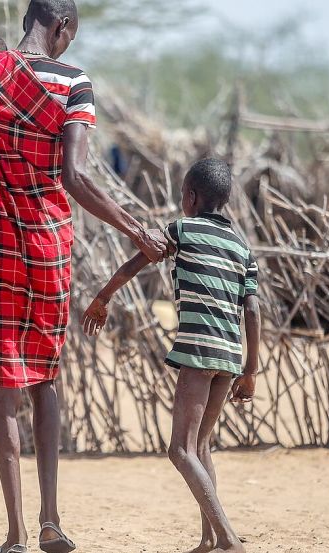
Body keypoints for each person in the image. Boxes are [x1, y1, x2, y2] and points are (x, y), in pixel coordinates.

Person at [0, 1, 172, 552]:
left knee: (4, 389)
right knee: (45, 380)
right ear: (62, 27)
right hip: (45, 242)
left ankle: (13, 536)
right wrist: (135, 229)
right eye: (69, 37)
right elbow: (75, 176)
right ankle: (51, 521)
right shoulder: (73, 81)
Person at [81, 158, 261, 553]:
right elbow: (252, 310)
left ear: (192, 197)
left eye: (182, 194)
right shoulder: (242, 248)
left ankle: (229, 539)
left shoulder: (182, 229)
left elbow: (136, 262)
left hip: (198, 349)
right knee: (202, 447)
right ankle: (209, 539)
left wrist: (102, 297)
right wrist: (251, 370)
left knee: (180, 450)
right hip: (230, 356)